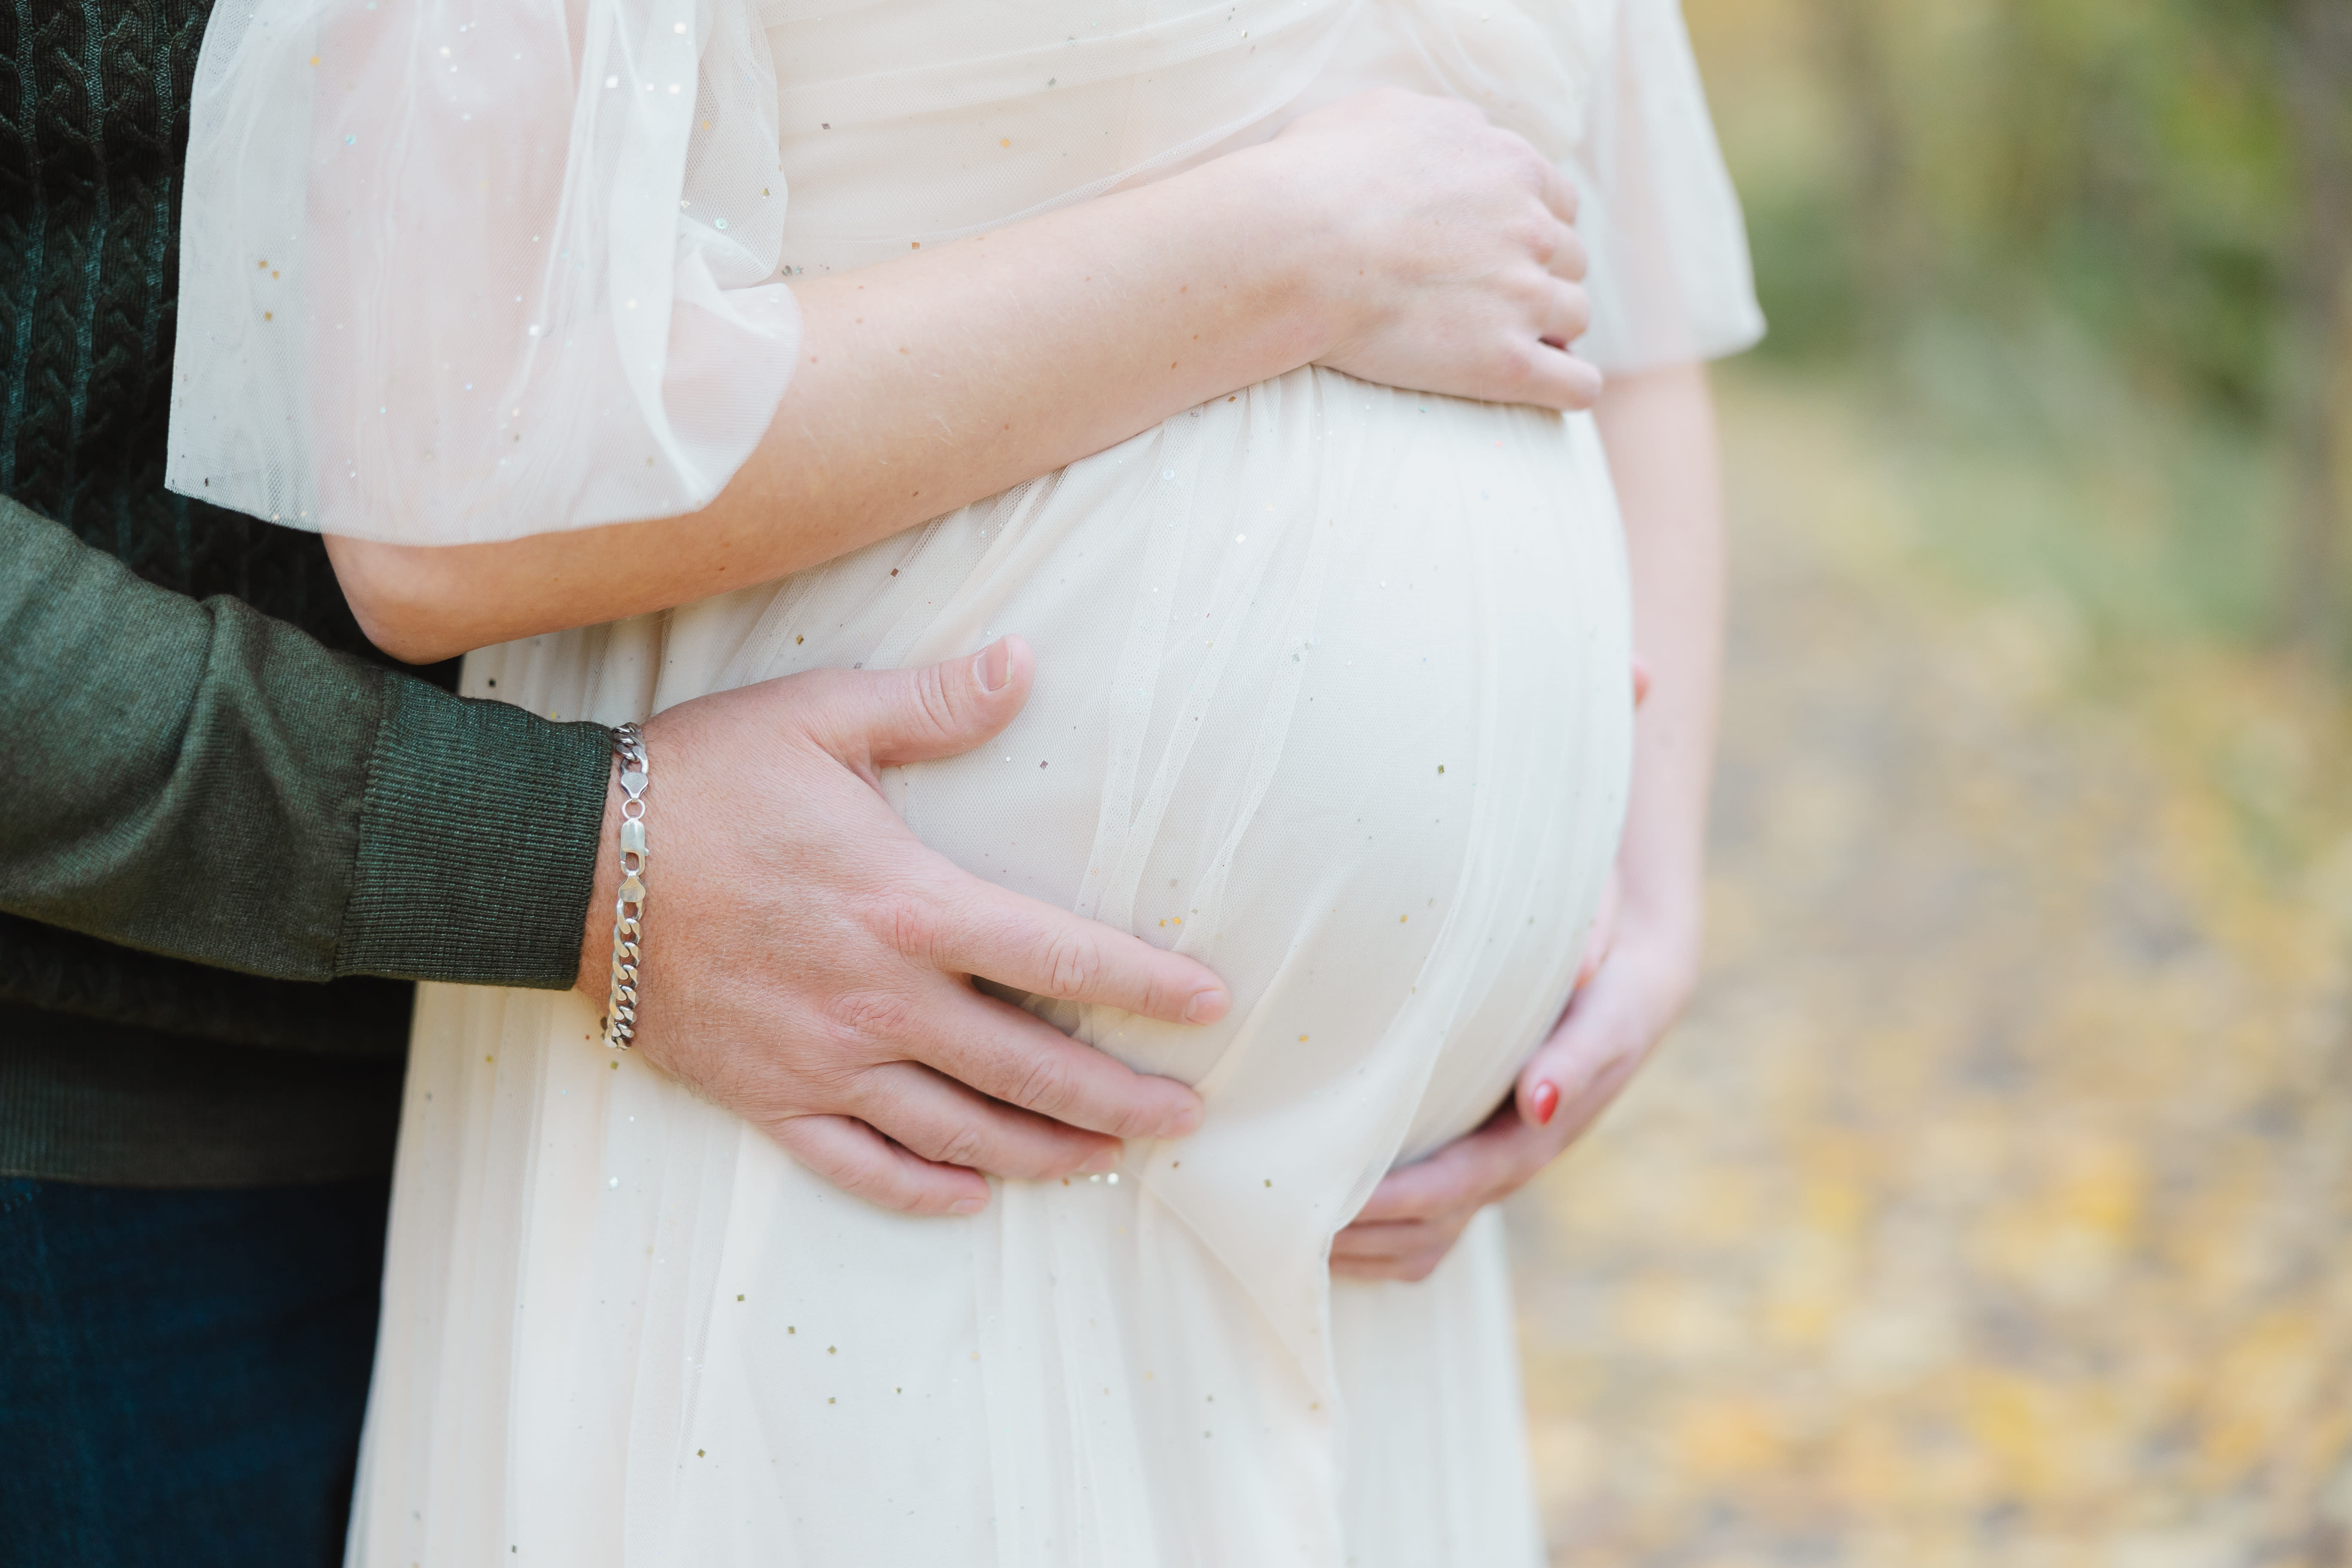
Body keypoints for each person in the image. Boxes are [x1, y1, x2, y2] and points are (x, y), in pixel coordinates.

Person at [0, 8, 1590, 1565]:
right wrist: (561, 855)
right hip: (142, 1110)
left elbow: (1577, 196)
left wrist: (1615, 894)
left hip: (1274, 1195)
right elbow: (457, 479)